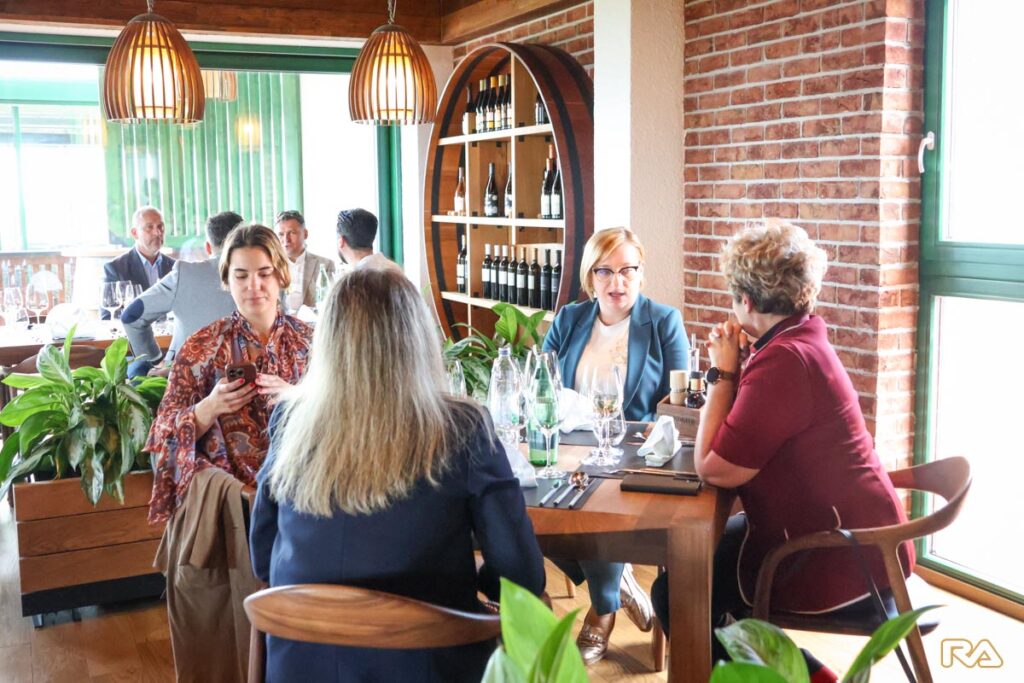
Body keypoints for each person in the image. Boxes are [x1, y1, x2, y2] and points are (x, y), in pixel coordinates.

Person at [250, 267, 545, 682]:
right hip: (430, 667)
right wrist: (474, 581)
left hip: (302, 666)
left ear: (328, 342)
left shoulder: (290, 418)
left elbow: (263, 554)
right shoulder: (462, 428)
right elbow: (522, 577)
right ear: (418, 339)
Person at [650, 220, 915, 667]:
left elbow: (712, 467)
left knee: (680, 589)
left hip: (844, 555)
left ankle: (800, 675)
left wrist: (723, 373)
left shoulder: (785, 362)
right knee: (694, 565)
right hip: (862, 537)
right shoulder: (801, 338)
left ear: (747, 301)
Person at [541, 227, 689, 665]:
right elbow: (543, 384)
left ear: (641, 273)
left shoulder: (663, 322)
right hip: (569, 446)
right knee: (528, 505)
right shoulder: (569, 319)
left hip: (634, 451)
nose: (616, 282)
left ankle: (603, 608)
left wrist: (645, 437)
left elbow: (680, 405)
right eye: (604, 271)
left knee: (594, 505)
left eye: (627, 270)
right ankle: (617, 579)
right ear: (590, 277)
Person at [147, 223, 313, 524]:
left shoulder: (311, 342)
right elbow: (162, 434)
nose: (253, 285)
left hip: (309, 499)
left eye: (264, 273)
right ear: (226, 279)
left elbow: (349, 415)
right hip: (232, 508)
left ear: (281, 275)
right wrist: (209, 407)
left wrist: (297, 395)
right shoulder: (202, 346)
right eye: (241, 275)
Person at [123, 211, 242, 375]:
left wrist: (155, 361)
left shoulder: (185, 274)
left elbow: (131, 317)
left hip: (187, 377)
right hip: (251, 375)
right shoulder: (267, 275)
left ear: (208, 247)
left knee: (135, 369)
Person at [102, 206, 175, 318]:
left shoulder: (175, 267)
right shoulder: (115, 269)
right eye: (149, 227)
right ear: (135, 233)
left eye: (160, 226)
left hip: (169, 329)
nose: (157, 233)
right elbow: (108, 317)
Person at [274, 210, 336, 310]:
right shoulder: (270, 266)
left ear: (305, 234)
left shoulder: (326, 265)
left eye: (292, 233)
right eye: (281, 234)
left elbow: (330, 304)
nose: (286, 239)